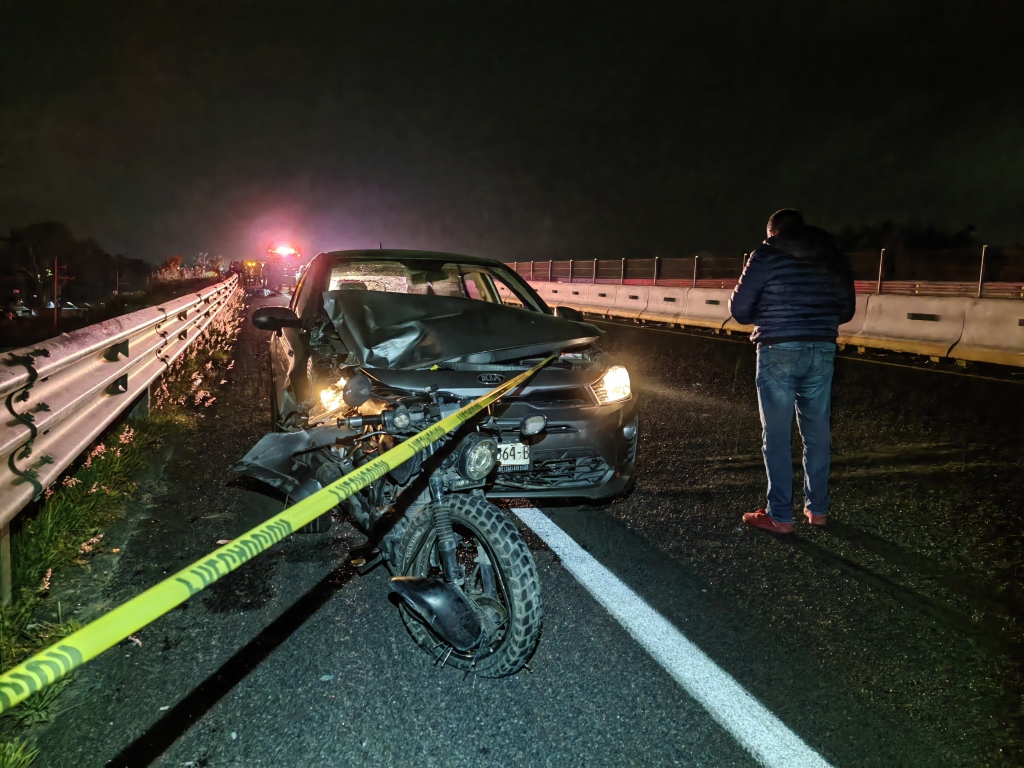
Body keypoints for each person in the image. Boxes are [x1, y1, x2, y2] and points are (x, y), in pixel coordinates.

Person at [729, 209, 856, 533]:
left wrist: (771, 313)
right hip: (821, 348)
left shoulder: (766, 255)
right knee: (816, 434)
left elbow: (740, 310)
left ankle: (780, 516)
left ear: (773, 233)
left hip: (778, 348)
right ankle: (818, 511)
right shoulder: (832, 256)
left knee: (776, 436)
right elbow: (847, 309)